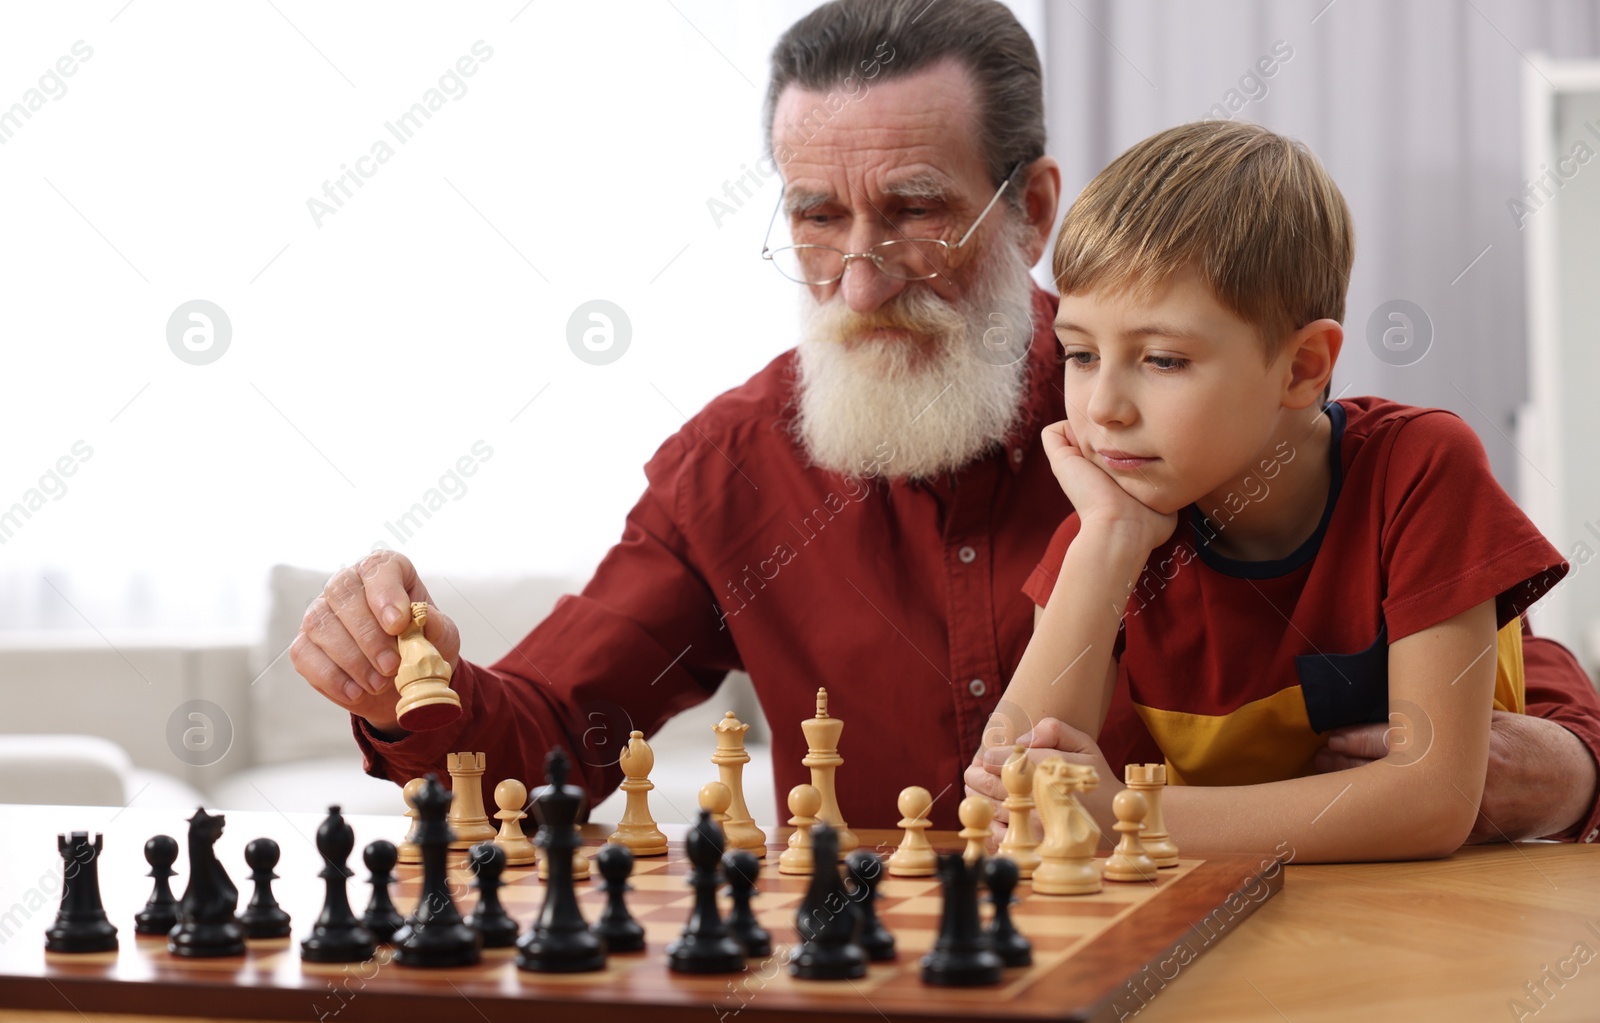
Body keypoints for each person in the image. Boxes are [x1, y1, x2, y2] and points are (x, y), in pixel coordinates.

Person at [290, 0, 1600, 845]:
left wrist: (1570, 767)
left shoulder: (1177, 415)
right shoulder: (730, 473)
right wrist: (413, 680)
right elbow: (547, 738)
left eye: (915, 208)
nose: (861, 277)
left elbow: (1498, 698)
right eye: (816, 216)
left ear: (1030, 206)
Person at [965, 119, 1589, 861]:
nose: (1103, 406)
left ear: (1302, 368)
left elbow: (1436, 802)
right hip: (1259, 929)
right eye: (1080, 353)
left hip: (1460, 928)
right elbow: (1014, 799)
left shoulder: (1420, 469)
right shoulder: (1108, 527)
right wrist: (1108, 537)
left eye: (1162, 359)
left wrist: (1132, 815)